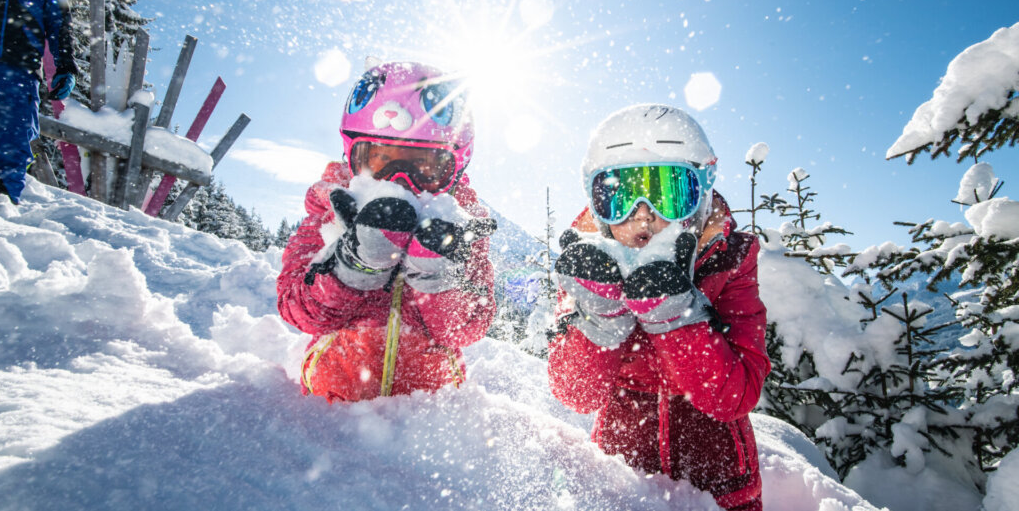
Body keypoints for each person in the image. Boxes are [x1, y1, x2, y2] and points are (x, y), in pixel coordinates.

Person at [548, 104, 770, 511]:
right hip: (622, 486)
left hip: (721, 491)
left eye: (670, 193)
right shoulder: (589, 268)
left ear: (701, 196)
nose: (644, 218)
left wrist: (676, 316)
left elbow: (737, 396)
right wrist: (601, 317)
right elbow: (576, 394)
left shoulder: (729, 259)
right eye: (618, 197)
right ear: (597, 210)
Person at [277, 61, 497, 403]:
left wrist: (435, 275)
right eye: (380, 162)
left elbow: (469, 327)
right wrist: (353, 265)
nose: (400, 184)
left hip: (427, 418)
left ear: (455, 170)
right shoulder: (328, 211)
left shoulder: (462, 230)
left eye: (424, 167)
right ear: (351, 157)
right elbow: (298, 310)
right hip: (326, 411)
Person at [0, 0, 77, 204]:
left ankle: (2, 207)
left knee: (14, 140)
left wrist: (66, 66)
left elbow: (60, 25)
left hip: (21, 70)